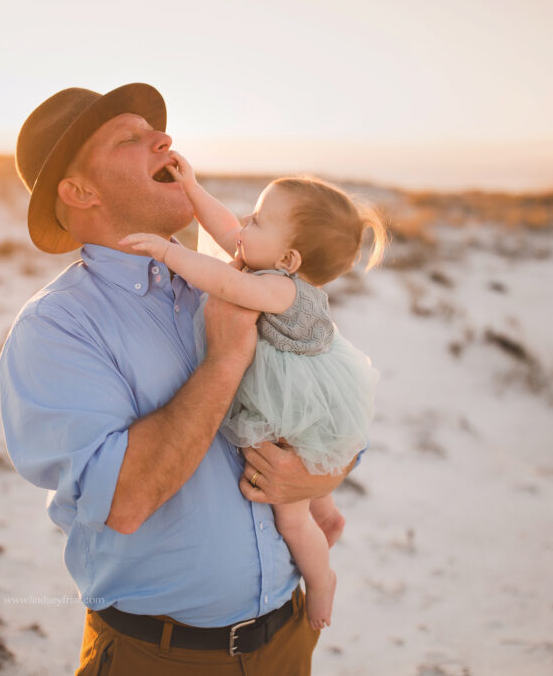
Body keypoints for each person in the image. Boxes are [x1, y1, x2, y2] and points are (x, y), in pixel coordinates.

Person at [0, 83, 356, 675]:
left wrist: (316, 476)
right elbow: (124, 500)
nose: (163, 138)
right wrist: (224, 360)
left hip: (289, 640)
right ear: (80, 191)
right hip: (161, 657)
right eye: (129, 138)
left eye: (156, 130)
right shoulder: (57, 327)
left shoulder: (231, 279)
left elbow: (330, 403)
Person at [121, 151, 385, 631]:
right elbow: (226, 227)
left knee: (290, 517)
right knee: (306, 467)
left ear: (288, 260)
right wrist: (193, 188)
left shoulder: (282, 289)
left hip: (295, 404)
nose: (245, 222)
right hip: (293, 400)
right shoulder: (267, 263)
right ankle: (328, 512)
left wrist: (168, 252)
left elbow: (223, 281)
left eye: (259, 220)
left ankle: (321, 579)